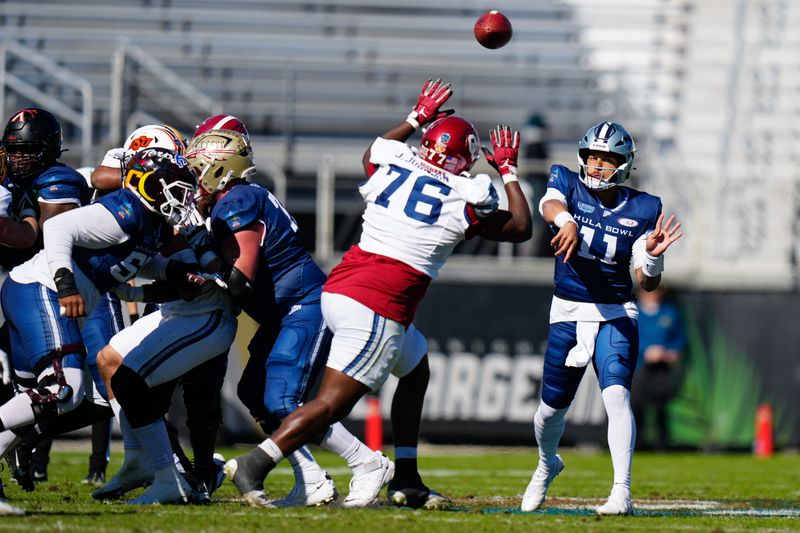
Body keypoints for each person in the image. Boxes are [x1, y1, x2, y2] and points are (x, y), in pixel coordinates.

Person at [223, 78, 532, 505]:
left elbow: (372, 153)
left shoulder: (395, 165)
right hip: (378, 304)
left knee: (416, 367)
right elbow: (520, 226)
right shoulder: (464, 197)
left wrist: (414, 118)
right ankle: (260, 463)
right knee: (329, 404)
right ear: (466, 161)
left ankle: (407, 477)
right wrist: (509, 171)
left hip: (339, 287)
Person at [185, 128, 409, 508]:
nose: (193, 180)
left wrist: (198, 252)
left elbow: (240, 280)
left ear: (220, 169)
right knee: (253, 392)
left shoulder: (238, 199)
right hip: (280, 313)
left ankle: (367, 461)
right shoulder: (232, 201)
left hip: (302, 306)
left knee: (281, 398)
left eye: (198, 169)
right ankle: (311, 480)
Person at [521, 121, 683, 516]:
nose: (596, 166)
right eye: (592, 157)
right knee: (550, 409)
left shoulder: (646, 208)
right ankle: (547, 463)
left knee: (616, 395)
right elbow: (549, 205)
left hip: (615, 311)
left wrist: (654, 256)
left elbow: (647, 283)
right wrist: (567, 221)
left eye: (606, 159)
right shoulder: (566, 183)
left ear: (623, 165)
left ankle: (621, 493)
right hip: (569, 309)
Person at [631, 285, 686, 450]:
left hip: (662, 370)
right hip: (638, 368)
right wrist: (645, 351)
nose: (653, 294)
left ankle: (663, 445)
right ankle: (636, 444)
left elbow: (679, 340)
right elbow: (627, 339)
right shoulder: (633, 313)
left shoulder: (670, 312)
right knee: (636, 407)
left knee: (661, 407)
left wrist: (670, 353)